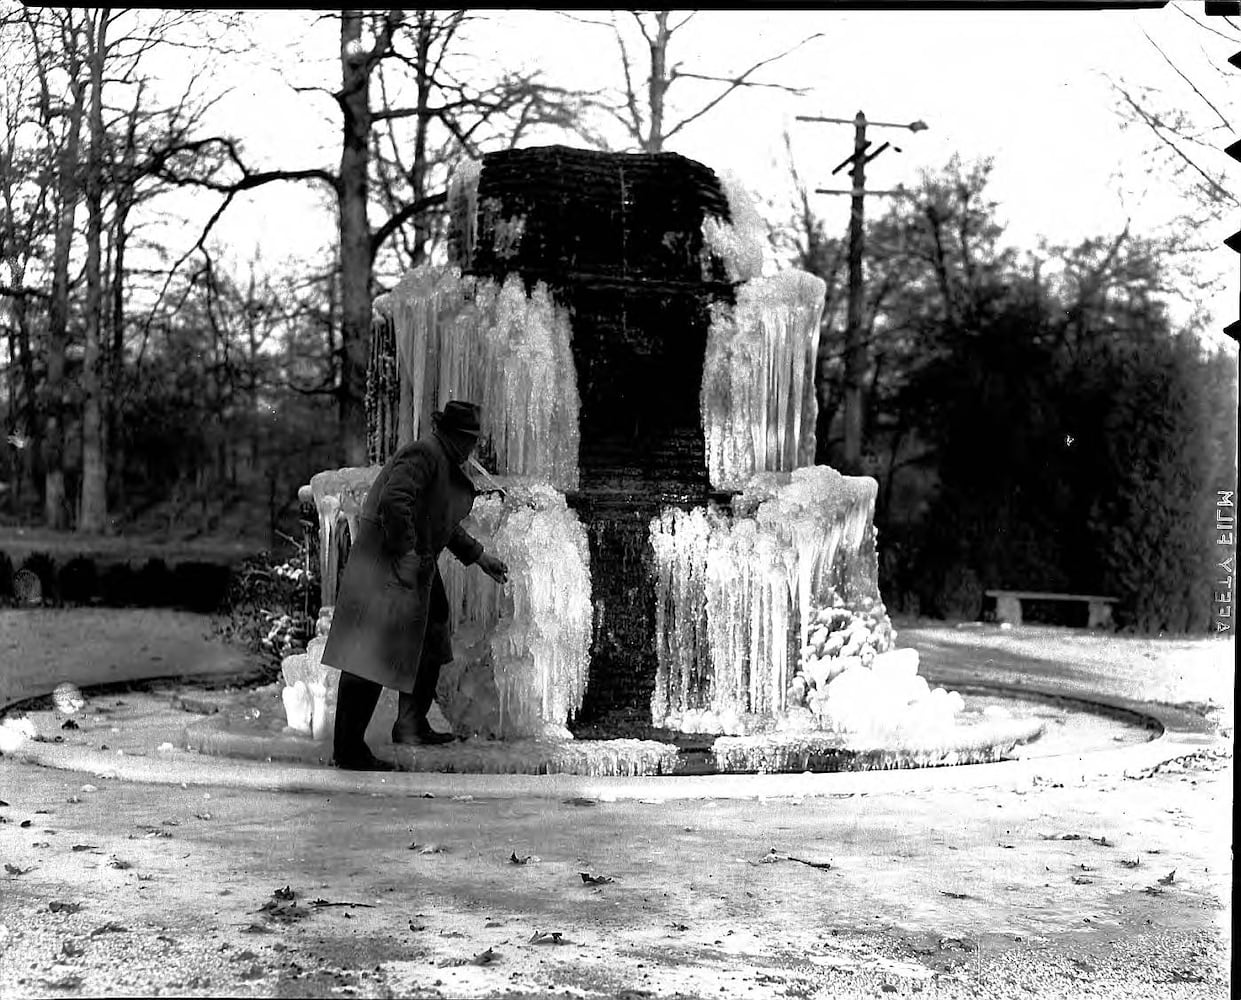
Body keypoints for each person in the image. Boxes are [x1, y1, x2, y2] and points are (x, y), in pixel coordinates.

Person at [322, 400, 509, 771]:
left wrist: (479, 556)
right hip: (386, 565)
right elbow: (395, 500)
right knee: (368, 653)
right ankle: (348, 748)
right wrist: (406, 552)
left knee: (434, 629)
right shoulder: (424, 454)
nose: (474, 448)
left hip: (411, 563)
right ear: (454, 434)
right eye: (470, 440)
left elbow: (439, 521)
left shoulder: (440, 459)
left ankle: (411, 723)